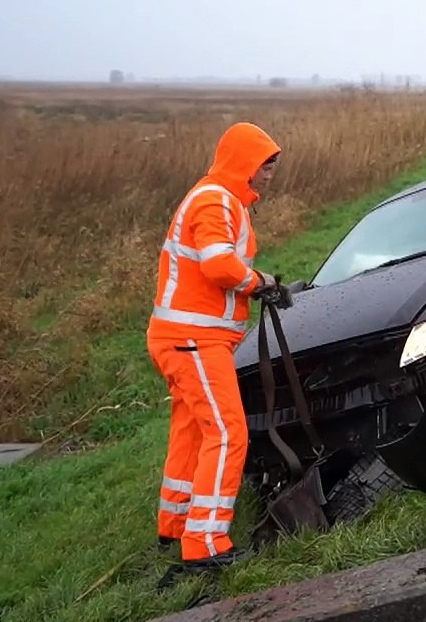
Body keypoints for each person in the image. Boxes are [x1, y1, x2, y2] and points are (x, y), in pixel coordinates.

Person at [147, 121, 288, 569]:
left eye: (272, 167)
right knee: (228, 434)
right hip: (194, 339)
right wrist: (259, 282)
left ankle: (175, 524)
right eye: (265, 166)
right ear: (243, 163)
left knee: (191, 430)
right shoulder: (215, 200)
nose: (269, 174)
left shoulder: (217, 197)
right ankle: (205, 544)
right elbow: (217, 264)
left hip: (181, 338)